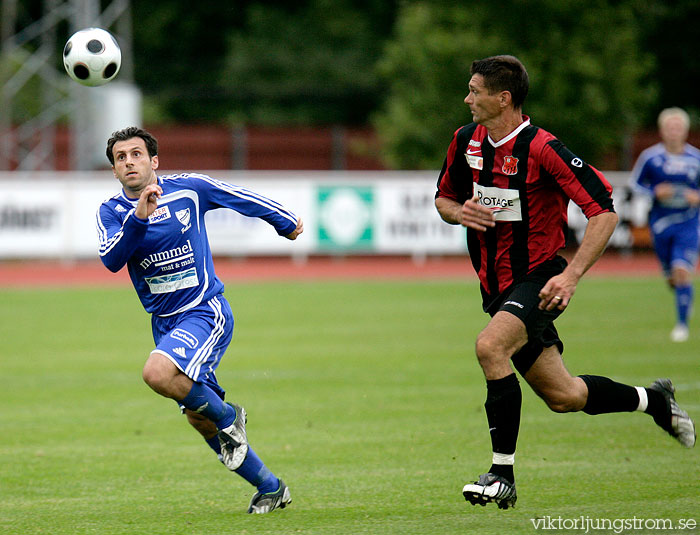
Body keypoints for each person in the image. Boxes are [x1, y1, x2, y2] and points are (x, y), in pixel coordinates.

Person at [434, 55, 696, 510]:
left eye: (474, 90)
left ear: (504, 98)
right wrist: (461, 212)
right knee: (565, 395)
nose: (467, 98)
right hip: (495, 288)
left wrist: (571, 274)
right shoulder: (465, 140)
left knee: (489, 347)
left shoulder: (543, 148)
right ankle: (653, 401)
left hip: (541, 278)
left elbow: (604, 210)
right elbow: (443, 198)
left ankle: (501, 475)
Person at [97, 126, 303, 514]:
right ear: (114, 170)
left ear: (154, 161)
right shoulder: (112, 211)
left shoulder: (189, 189)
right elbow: (111, 259)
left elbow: (238, 197)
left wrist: (284, 220)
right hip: (164, 323)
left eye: (136, 154)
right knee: (198, 417)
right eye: (120, 158)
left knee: (157, 373)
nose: (129, 162)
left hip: (205, 311)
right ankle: (271, 488)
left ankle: (230, 415)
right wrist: (140, 216)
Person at [630, 108, 700, 342]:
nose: (674, 132)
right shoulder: (651, 157)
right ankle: (684, 295)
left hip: (689, 223)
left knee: (682, 271)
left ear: (685, 131)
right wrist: (655, 191)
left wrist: (696, 196)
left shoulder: (696, 158)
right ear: (662, 131)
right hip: (660, 225)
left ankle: (682, 326)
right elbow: (635, 184)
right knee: (672, 277)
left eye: (678, 127)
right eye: (670, 127)